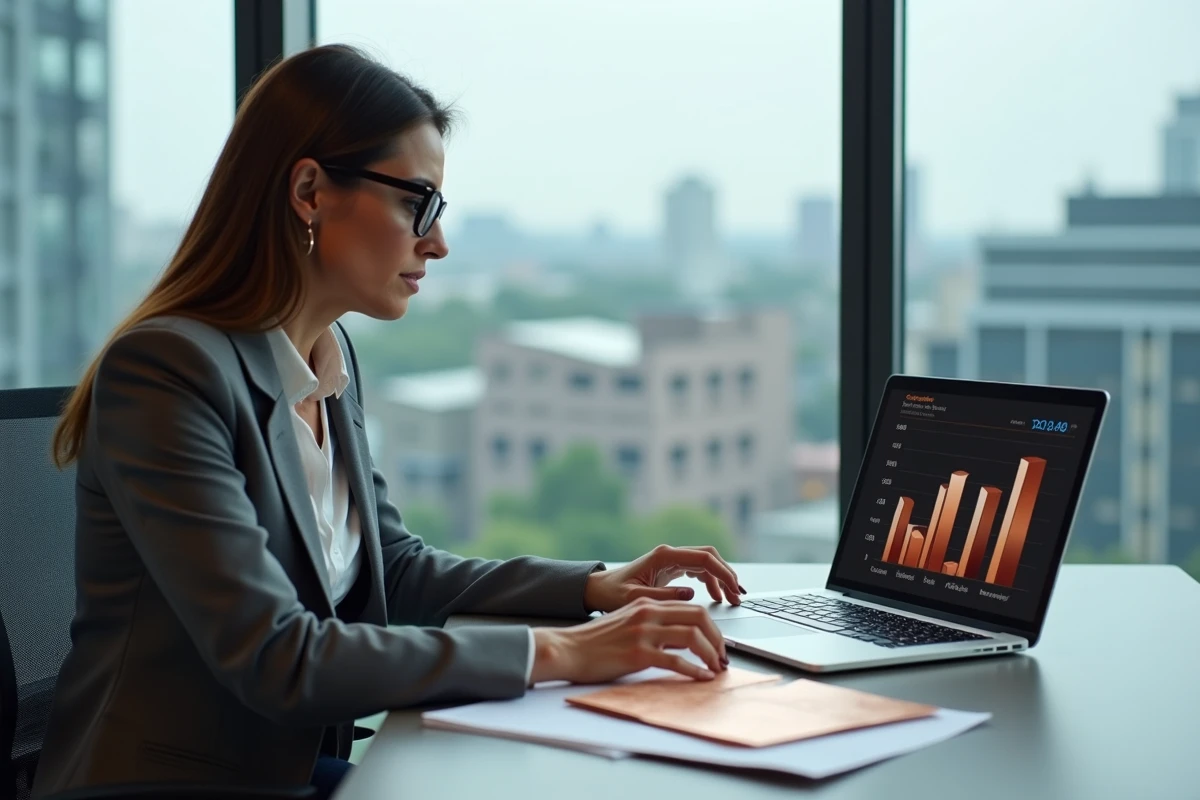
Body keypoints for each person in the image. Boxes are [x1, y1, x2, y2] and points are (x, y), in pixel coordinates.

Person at [32, 45, 745, 800]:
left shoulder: (325, 355)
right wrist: (562, 652)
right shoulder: (167, 374)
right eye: (417, 203)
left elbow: (393, 569)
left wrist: (594, 588)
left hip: (289, 773)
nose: (436, 242)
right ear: (309, 190)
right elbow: (276, 656)